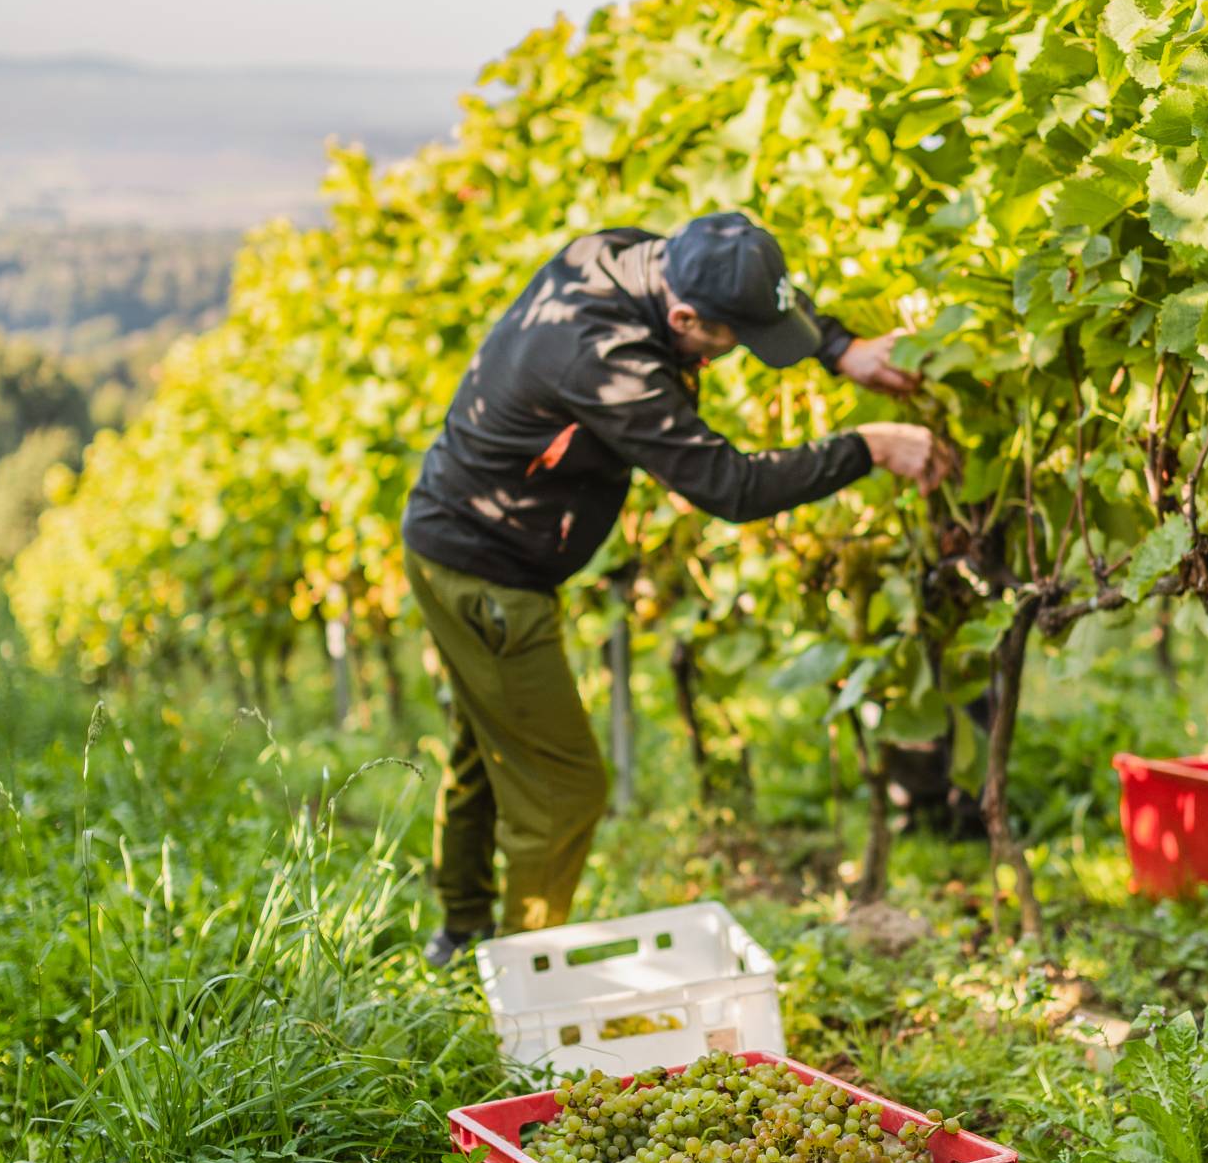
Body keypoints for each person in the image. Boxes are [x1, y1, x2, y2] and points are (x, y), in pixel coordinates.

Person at [401, 210, 951, 964]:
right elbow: (730, 487)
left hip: (459, 547)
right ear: (684, 317)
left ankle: (458, 938)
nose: (740, 356)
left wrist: (839, 347)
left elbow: (756, 290)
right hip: (485, 574)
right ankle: (523, 980)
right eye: (732, 342)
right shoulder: (605, 360)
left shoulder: (622, 254)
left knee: (491, 750)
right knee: (565, 788)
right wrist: (867, 448)